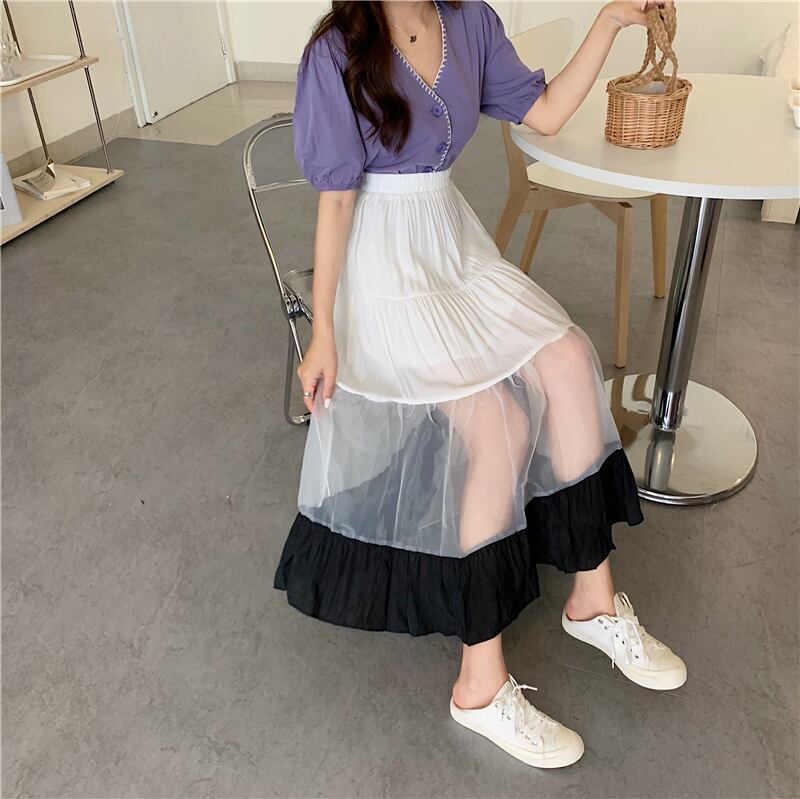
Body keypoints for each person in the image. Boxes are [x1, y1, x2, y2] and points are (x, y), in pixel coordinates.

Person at [274, 0, 686, 769]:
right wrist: (322, 328)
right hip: (381, 263)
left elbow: (547, 113)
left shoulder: (469, 22)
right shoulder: (338, 50)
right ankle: (480, 684)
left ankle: (593, 600)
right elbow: (335, 199)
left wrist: (608, 23)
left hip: (450, 244)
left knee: (568, 358)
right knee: (498, 422)